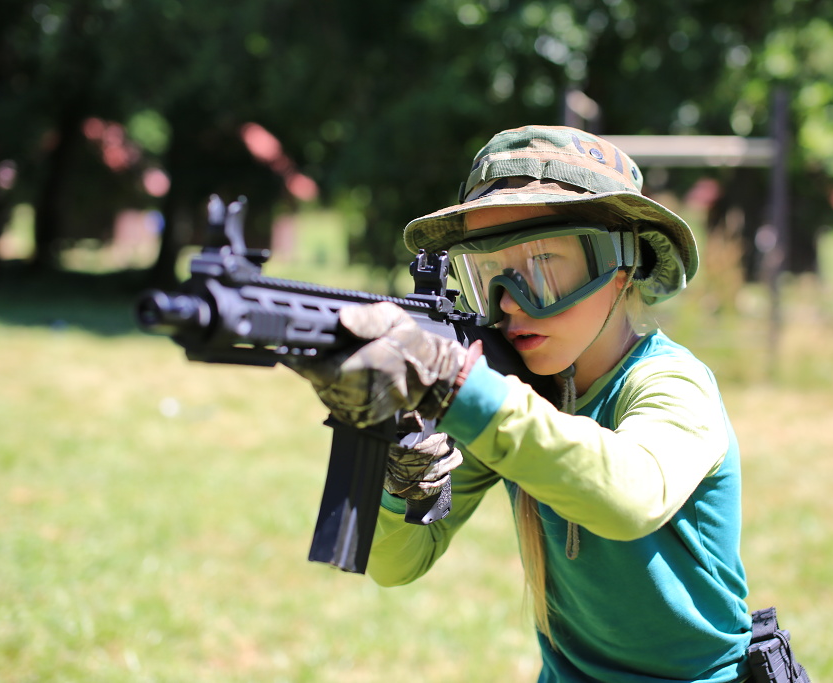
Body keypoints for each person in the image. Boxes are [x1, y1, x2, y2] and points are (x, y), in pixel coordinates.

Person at [296, 125, 752, 683]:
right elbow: (396, 565)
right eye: (485, 273)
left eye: (541, 266)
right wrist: (398, 487)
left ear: (621, 266)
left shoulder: (671, 383)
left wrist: (456, 384)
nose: (507, 301)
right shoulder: (518, 392)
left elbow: (629, 495)